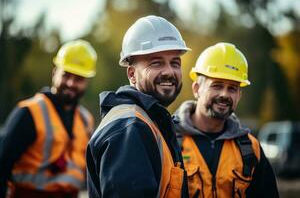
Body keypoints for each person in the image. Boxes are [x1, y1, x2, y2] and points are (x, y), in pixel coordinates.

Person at [86, 15, 191, 198]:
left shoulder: (150, 121)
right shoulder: (129, 128)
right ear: (132, 74)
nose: (169, 71)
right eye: (156, 63)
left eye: (175, 63)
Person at [173, 42, 279, 198]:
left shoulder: (250, 149)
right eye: (216, 86)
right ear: (197, 89)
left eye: (232, 88)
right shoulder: (169, 141)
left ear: (239, 96)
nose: (224, 94)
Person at [0, 39, 96, 198]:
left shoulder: (86, 120)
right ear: (54, 73)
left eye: (78, 79)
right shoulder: (29, 112)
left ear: (87, 82)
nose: (71, 83)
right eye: (66, 75)